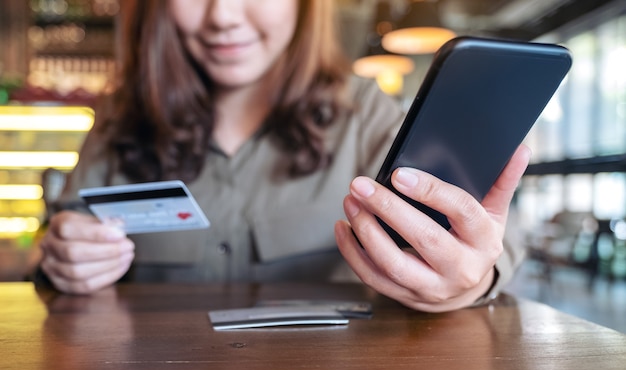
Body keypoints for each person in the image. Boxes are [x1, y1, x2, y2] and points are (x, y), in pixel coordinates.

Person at [37, 0, 530, 313]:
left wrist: (469, 279)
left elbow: (492, 239)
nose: (224, 16)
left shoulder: (362, 112)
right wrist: (61, 260)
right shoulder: (120, 119)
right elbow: (60, 243)